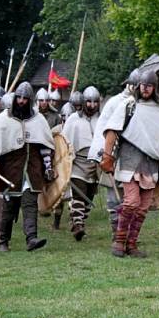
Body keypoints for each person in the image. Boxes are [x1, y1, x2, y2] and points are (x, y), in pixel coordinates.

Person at [100, 69, 159, 258]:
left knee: (143, 206)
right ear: (138, 85)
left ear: (154, 87)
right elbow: (112, 131)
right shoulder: (129, 105)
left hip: (150, 162)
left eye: (149, 86)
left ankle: (131, 244)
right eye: (143, 85)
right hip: (130, 159)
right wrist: (107, 157)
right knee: (132, 201)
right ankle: (119, 241)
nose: (146, 89)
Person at [0, 82, 56, 252]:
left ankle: (31, 238)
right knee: (10, 206)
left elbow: (46, 145)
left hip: (32, 169)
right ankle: (3, 240)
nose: (22, 101)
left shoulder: (38, 120)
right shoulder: (4, 119)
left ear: (30, 100)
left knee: (30, 203)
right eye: (19, 97)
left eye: (25, 98)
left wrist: (47, 166)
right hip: (11, 169)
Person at [88, 68, 141, 234]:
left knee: (130, 197)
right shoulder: (115, 102)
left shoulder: (141, 104)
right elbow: (104, 129)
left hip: (131, 156)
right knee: (113, 196)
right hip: (113, 154)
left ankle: (127, 232)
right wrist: (105, 155)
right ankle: (116, 232)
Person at [62, 87, 101, 241]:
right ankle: (78, 225)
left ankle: (79, 220)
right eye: (89, 102)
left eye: (95, 102)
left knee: (89, 197)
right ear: (84, 102)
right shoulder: (73, 119)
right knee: (79, 192)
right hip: (78, 161)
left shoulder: (102, 119)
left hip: (95, 163)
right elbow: (65, 141)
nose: (91, 105)